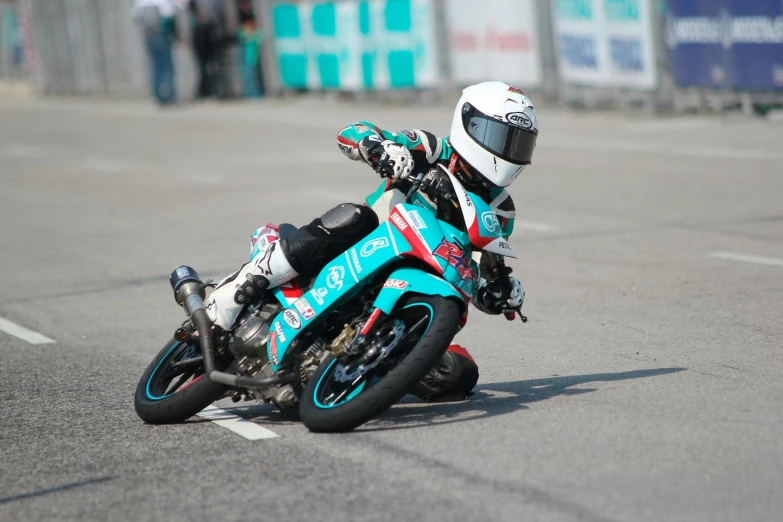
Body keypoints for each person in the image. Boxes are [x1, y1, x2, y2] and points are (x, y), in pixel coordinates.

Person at [205, 81, 538, 401]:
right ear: (471, 125)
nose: (508, 152)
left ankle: (360, 375)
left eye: (518, 144)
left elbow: (476, 272)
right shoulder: (431, 148)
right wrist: (379, 148)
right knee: (354, 216)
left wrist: (496, 292)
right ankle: (247, 282)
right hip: (363, 248)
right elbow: (353, 131)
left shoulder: (501, 211)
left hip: (414, 291)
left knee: (458, 375)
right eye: (501, 138)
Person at [132, 0, 181, 106]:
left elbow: (135, 17)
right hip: (162, 35)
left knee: (155, 65)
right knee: (167, 66)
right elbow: (170, 13)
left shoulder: (140, 2)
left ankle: (157, 95)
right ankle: (168, 95)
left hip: (149, 35)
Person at [188, 0, 225, 99]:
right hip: (200, 32)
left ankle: (213, 91)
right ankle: (204, 92)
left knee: (212, 65)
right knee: (203, 66)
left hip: (211, 31)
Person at [236, 0, 263, 97]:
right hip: (245, 43)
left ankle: (255, 92)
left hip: (251, 43)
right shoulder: (239, 14)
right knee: (248, 70)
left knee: (253, 69)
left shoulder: (252, 13)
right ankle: (251, 93)